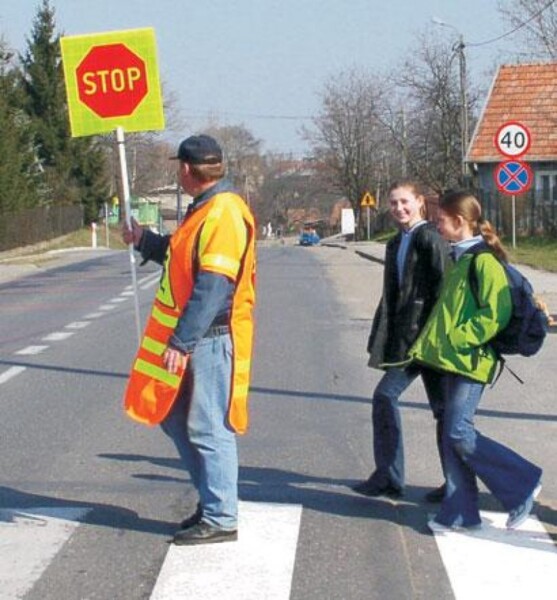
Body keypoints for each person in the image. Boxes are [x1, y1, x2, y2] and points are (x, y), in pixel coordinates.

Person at [122, 134, 256, 545]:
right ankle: (213, 499)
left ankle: (220, 516)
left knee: (208, 427)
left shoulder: (224, 213)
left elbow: (213, 286)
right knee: (174, 417)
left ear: (185, 170)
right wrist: (145, 240)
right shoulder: (205, 210)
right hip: (197, 336)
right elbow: (183, 259)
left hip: (209, 337)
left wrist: (181, 344)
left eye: (176, 167)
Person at [409, 190, 542, 531]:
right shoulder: (462, 259)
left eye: (441, 220)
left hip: (473, 361)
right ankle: (460, 513)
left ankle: (521, 483)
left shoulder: (483, 261)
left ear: (460, 222)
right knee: (451, 437)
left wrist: (458, 338)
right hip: (456, 360)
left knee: (458, 431)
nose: (437, 224)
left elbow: (496, 313)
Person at [353, 181, 450, 500]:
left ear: (420, 202)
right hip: (406, 341)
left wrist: (436, 338)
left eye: (405, 202)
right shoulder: (396, 242)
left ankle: (455, 483)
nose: (399, 209)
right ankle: (390, 477)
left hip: (428, 341)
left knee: (443, 411)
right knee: (388, 398)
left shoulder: (429, 238)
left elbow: (444, 290)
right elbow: (393, 296)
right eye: (393, 203)